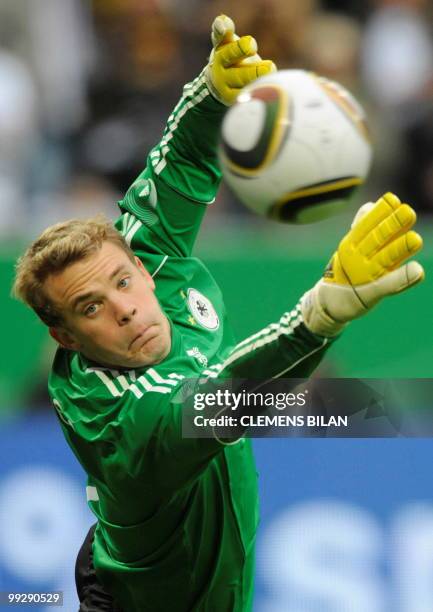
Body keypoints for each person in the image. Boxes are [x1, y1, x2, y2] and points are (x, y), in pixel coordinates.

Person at [13, 15, 424, 612]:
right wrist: (320, 315)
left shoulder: (140, 263)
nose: (126, 309)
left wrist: (212, 93)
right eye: (91, 308)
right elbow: (224, 398)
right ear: (64, 336)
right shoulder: (124, 422)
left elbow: (173, 169)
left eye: (124, 281)